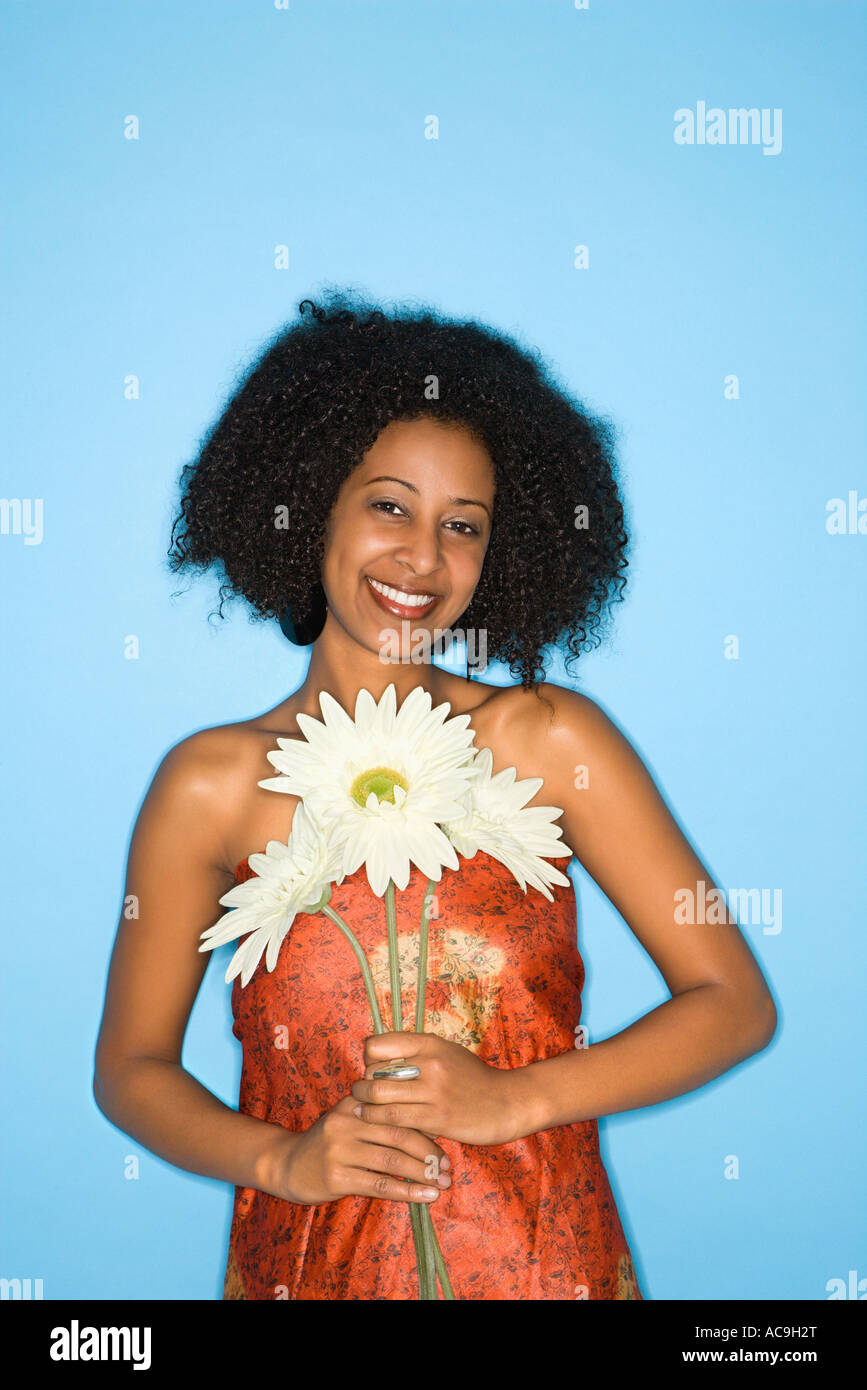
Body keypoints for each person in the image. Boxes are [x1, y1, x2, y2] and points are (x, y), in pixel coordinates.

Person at [93, 291, 777, 1300]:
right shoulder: (212, 786)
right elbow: (132, 1068)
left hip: (548, 1267)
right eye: (388, 505)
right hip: (309, 1274)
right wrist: (281, 1161)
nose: (423, 557)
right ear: (312, 496)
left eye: (463, 525)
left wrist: (517, 1099)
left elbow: (735, 1003)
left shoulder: (547, 743)